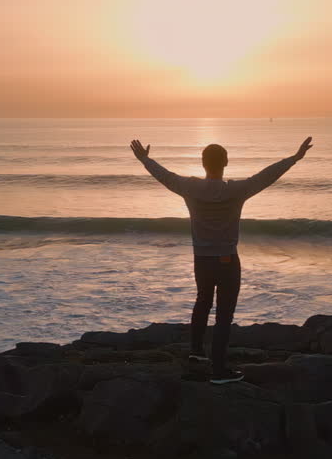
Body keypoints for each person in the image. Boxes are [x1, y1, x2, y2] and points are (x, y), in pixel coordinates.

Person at [130, 136, 313, 383]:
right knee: (224, 315)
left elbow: (164, 175)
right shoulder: (236, 191)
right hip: (227, 260)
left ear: (203, 163)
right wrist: (294, 158)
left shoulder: (189, 188)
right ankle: (218, 370)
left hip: (201, 259)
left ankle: (196, 353)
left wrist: (145, 160)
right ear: (225, 162)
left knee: (203, 301)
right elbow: (266, 176)